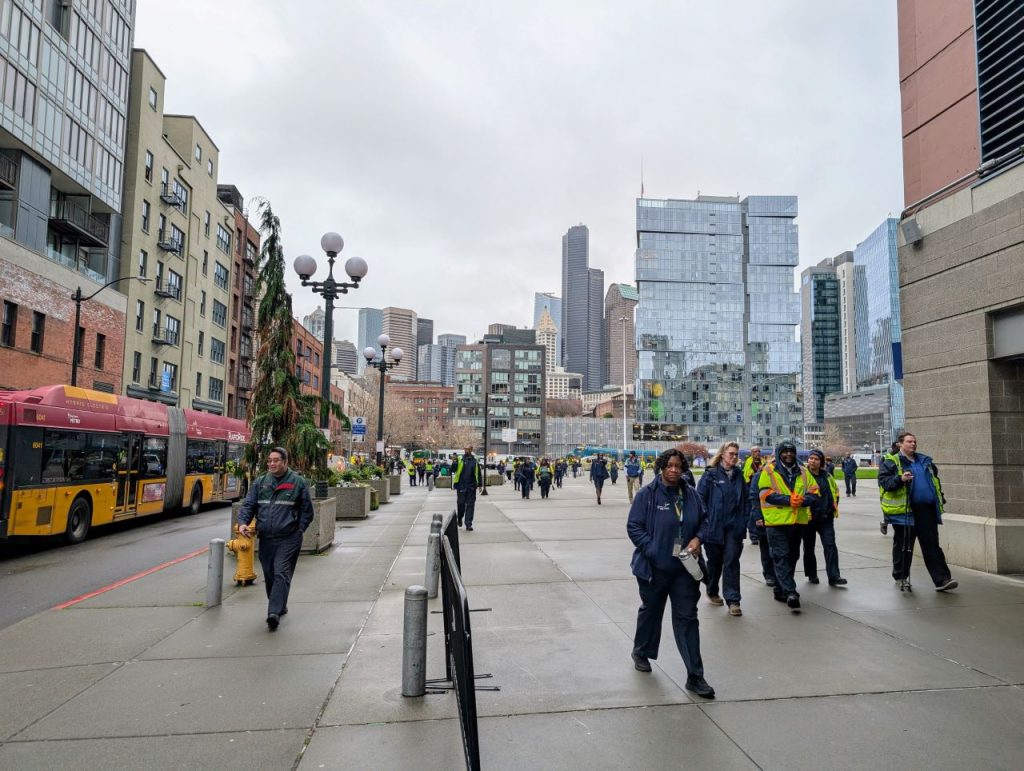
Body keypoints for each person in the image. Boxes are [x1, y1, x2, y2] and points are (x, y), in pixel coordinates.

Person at [626, 448, 714, 699]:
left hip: (684, 570)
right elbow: (634, 526)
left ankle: (695, 676)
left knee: (687, 619)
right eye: (670, 466)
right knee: (651, 612)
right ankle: (641, 651)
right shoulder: (647, 495)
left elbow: (705, 521)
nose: (674, 470)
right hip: (654, 569)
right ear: (662, 468)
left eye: (678, 466)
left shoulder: (692, 495)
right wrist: (652, 549)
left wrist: (698, 538)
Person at [236, 447, 315, 631]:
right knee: (270, 575)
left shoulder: (297, 482)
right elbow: (249, 505)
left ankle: (273, 613)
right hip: (267, 538)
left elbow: (307, 511)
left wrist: (299, 530)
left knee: (281, 572)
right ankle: (280, 604)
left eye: (276, 460)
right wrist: (242, 523)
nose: (272, 463)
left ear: (285, 462)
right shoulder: (261, 482)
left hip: (289, 538)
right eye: (269, 460)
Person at [879, 431, 957, 592]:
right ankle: (901, 577)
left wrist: (940, 497)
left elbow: (935, 482)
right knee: (904, 546)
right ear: (900, 444)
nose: (913, 444)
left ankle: (942, 580)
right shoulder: (891, 462)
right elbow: (884, 482)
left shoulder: (925, 461)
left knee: (932, 546)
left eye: (914, 441)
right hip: (905, 511)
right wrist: (900, 479)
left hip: (926, 511)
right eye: (909, 441)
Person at [757, 441, 820, 611]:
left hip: (797, 522)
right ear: (779, 454)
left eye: (791, 451)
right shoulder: (769, 470)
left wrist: (803, 500)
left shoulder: (804, 472)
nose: (788, 455)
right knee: (781, 556)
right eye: (784, 452)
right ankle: (791, 592)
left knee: (793, 556)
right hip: (776, 522)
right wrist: (788, 500)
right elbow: (764, 493)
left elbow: (815, 492)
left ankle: (780, 589)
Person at [696, 442, 748, 616]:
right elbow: (699, 500)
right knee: (715, 563)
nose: (734, 457)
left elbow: (746, 501)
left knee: (732, 561)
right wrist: (706, 522)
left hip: (734, 528)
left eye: (736, 454)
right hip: (714, 528)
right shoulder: (710, 475)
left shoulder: (739, 476)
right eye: (731, 453)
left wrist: (744, 521)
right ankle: (711, 590)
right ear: (723, 454)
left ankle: (733, 600)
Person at [804, 449, 847, 587]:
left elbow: (835, 491)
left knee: (830, 546)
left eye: (816, 459)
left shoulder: (827, 476)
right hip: (808, 518)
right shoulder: (803, 476)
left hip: (825, 517)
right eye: (811, 458)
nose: (813, 461)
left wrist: (832, 507)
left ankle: (834, 576)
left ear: (821, 461)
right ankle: (811, 574)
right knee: (809, 547)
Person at [453, 447, 482, 531]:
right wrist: (454, 462)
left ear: (471, 450)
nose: (466, 450)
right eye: (465, 449)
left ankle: (468, 524)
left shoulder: (475, 461)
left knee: (470, 505)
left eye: (467, 449)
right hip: (461, 486)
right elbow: (453, 470)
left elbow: (478, 473)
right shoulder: (459, 459)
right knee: (461, 504)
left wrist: (480, 485)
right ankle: (459, 517)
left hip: (471, 487)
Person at [742, 446, 764, 545]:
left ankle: (761, 533)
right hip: (751, 490)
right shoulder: (747, 463)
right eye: (755, 451)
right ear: (751, 453)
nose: (758, 453)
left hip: (762, 490)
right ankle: (753, 535)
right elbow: (745, 477)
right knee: (752, 513)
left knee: (761, 512)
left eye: (759, 451)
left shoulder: (763, 462)